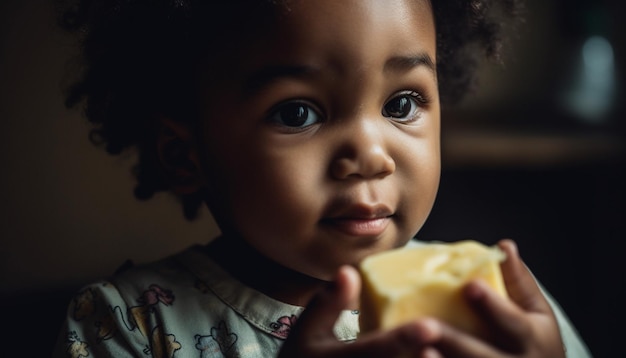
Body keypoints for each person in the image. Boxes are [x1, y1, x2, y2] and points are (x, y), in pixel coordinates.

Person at [52, 0, 591, 357]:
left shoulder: (497, 305)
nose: (371, 155)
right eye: (297, 113)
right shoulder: (128, 327)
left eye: (402, 103)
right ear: (186, 155)